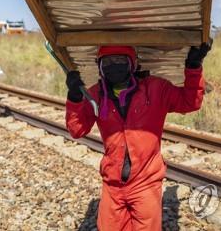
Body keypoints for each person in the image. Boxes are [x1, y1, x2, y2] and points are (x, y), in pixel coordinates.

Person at [65, 42, 212, 230]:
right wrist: (74, 97)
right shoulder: (96, 94)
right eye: (108, 62)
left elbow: (190, 102)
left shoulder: (156, 89)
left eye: (120, 60)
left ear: (133, 63)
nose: (114, 65)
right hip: (113, 185)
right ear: (100, 66)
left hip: (146, 183)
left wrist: (193, 67)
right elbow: (77, 130)